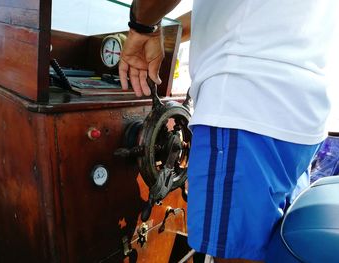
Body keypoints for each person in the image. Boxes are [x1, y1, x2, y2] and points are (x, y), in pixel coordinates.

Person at [119, 1, 339, 262]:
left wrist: (142, 26)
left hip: (246, 106)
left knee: (236, 254)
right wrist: (159, 32)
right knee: (268, 249)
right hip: (302, 120)